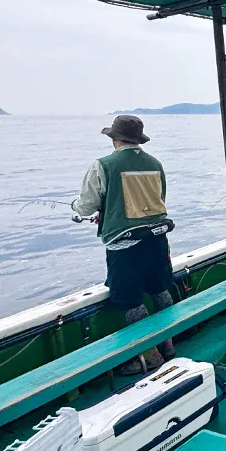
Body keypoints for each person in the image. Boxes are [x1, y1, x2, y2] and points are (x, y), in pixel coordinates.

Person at [72, 115, 175, 375]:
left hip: (125, 245)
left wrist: (79, 209)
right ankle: (169, 345)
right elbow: (156, 199)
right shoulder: (155, 163)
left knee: (130, 299)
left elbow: (86, 204)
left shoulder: (104, 165)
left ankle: (150, 357)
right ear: (138, 139)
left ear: (114, 139)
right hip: (157, 238)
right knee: (160, 290)